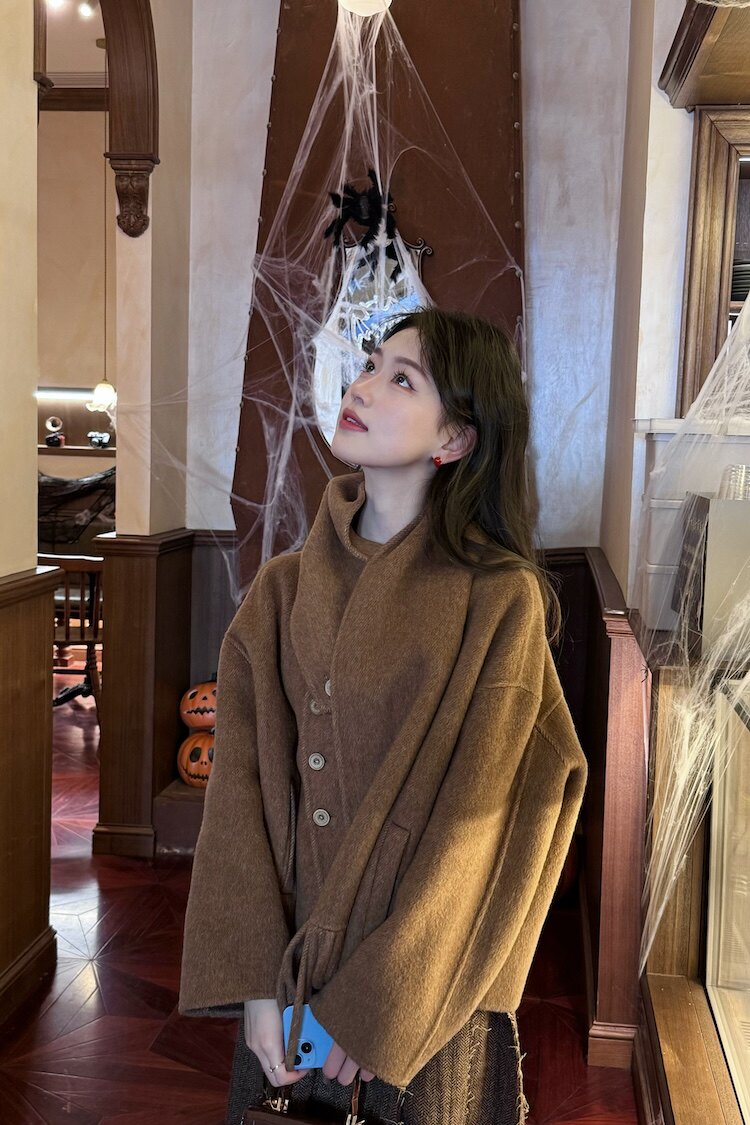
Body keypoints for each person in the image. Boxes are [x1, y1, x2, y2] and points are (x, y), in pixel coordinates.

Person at [179, 308, 588, 1125]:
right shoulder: (281, 591)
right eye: (370, 365)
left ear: (455, 439)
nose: (362, 386)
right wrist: (255, 981)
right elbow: (238, 792)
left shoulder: (500, 601)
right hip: (289, 982)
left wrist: (384, 1000)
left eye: (402, 378)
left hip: (423, 993)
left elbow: (480, 827)